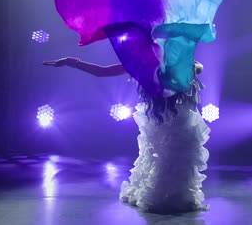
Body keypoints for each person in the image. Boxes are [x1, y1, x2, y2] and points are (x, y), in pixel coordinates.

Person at [43, 57, 210, 213]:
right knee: (160, 157)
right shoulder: (143, 62)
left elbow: (199, 67)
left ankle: (179, 197)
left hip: (179, 118)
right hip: (158, 120)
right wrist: (70, 61)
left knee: (181, 158)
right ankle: (163, 197)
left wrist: (185, 66)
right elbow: (102, 71)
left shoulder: (177, 58)